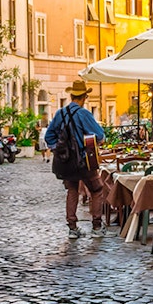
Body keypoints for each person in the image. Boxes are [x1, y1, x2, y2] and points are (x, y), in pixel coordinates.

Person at [44, 79, 107, 239]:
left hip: (66, 162)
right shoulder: (84, 114)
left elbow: (49, 136)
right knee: (97, 190)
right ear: (84, 97)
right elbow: (99, 135)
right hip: (84, 160)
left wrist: (57, 148)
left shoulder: (60, 113)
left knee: (72, 191)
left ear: (72, 96)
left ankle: (72, 227)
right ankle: (97, 226)